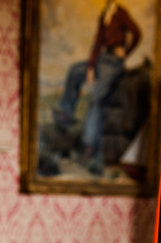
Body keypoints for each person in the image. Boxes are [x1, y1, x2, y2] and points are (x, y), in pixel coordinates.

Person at [53, 0, 141, 176]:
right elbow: (97, 43)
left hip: (114, 63)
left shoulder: (120, 12)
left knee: (96, 98)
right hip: (102, 59)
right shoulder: (104, 15)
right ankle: (66, 113)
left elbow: (137, 33)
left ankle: (88, 147)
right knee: (75, 71)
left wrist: (126, 52)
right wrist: (91, 67)